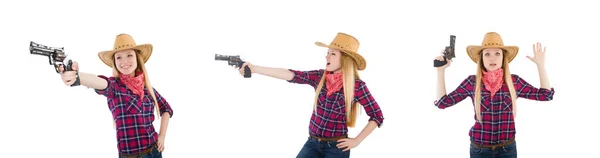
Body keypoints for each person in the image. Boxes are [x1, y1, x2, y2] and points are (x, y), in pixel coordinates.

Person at [235, 32, 384, 158]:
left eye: (332, 54)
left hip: (336, 148)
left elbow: (377, 115)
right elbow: (292, 75)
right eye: (327, 53)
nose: (327, 57)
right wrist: (255, 68)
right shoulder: (320, 77)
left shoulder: (357, 86)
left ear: (345, 59)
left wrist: (357, 140)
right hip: (312, 143)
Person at [434, 32, 555, 158]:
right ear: (481, 59)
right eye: (487, 54)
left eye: (497, 53)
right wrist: (440, 71)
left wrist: (541, 65)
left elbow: (546, 95)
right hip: (479, 150)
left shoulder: (513, 82)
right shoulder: (472, 82)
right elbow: (443, 103)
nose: (492, 58)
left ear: (503, 58)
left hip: (507, 149)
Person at [59, 33, 173, 158]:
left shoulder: (148, 90)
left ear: (137, 58)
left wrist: (162, 136)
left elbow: (166, 109)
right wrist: (78, 77)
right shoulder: (115, 87)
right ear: (115, 62)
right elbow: (102, 83)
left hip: (154, 152)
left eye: (129, 55)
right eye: (119, 57)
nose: (124, 61)